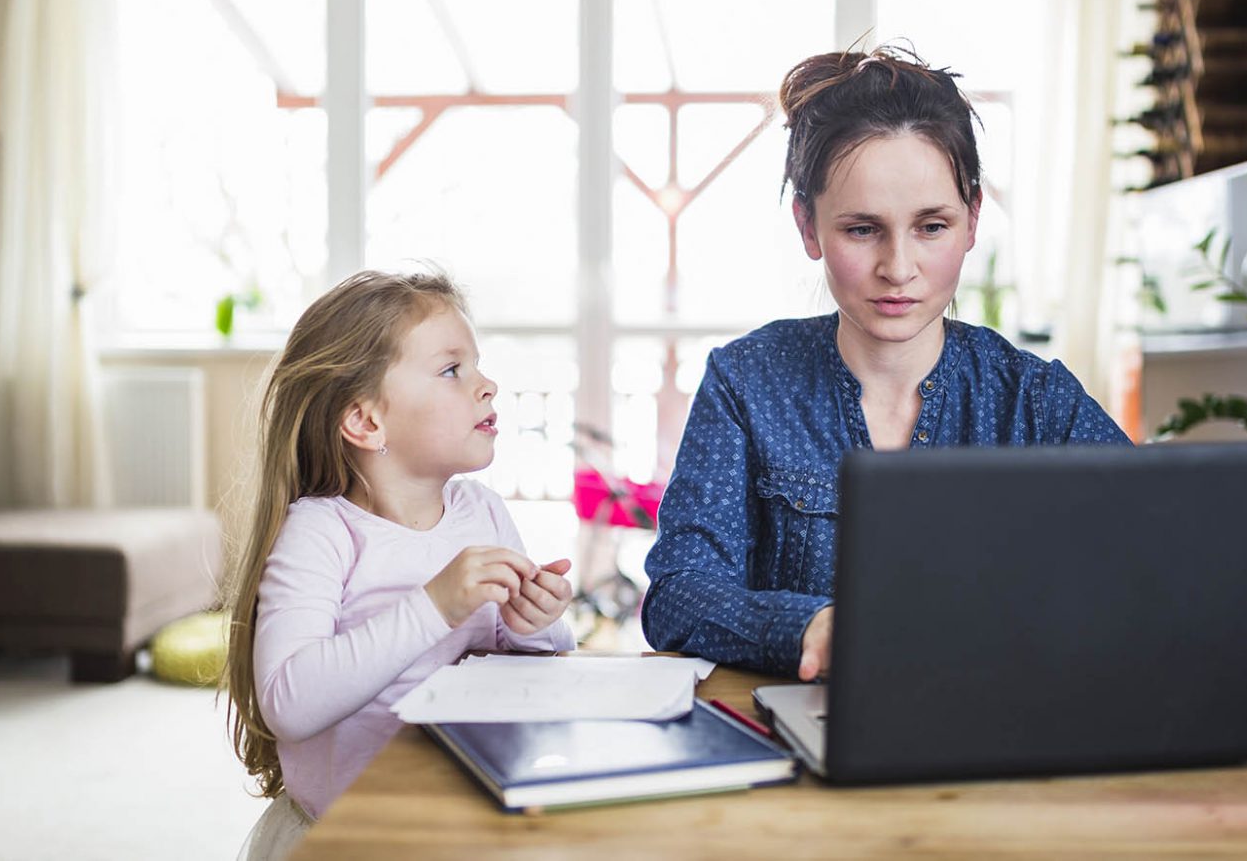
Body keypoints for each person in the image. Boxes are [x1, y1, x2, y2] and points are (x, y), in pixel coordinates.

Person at [640, 43, 1130, 683]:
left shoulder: (1036, 398)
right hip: (799, 741)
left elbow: (1146, 555)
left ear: (973, 219)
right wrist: (807, 627)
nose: (898, 268)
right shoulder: (746, 382)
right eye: (862, 229)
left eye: (932, 226)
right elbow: (678, 593)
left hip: (1004, 733)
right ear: (808, 227)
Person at [223, 269, 576, 860]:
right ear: (366, 422)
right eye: (451, 369)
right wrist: (434, 606)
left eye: (477, 365)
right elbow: (288, 702)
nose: (487, 385)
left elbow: (520, 676)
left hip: (466, 821)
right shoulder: (321, 532)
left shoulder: (482, 512)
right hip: (355, 838)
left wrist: (535, 625)